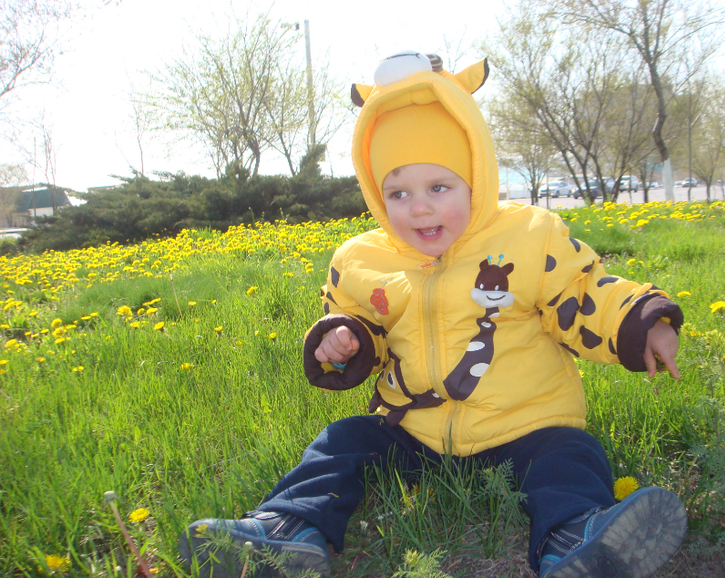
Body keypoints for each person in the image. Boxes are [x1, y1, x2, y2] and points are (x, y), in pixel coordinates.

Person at [179, 51, 688, 578]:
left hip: (524, 425)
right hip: (414, 432)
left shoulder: (529, 238)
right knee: (343, 442)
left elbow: (581, 295)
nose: (418, 207)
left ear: (476, 179)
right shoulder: (363, 260)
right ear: (377, 195)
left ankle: (574, 536)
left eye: (438, 188)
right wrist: (345, 338)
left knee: (571, 455)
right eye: (398, 193)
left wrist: (642, 320)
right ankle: (289, 528)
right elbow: (358, 321)